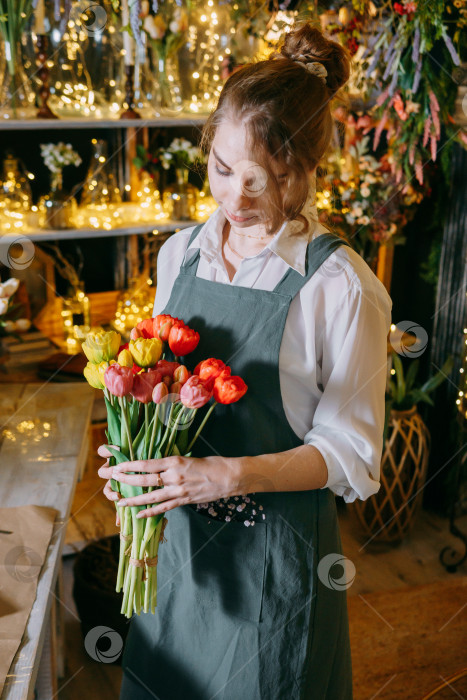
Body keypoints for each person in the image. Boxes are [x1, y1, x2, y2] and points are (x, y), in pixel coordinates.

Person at [98, 20, 392, 700]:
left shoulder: (340, 285)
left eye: (265, 178)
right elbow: (161, 392)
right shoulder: (180, 254)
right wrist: (130, 462)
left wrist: (225, 474)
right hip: (172, 556)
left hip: (272, 565)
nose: (233, 198)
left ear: (308, 169)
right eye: (221, 170)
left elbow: (351, 457)